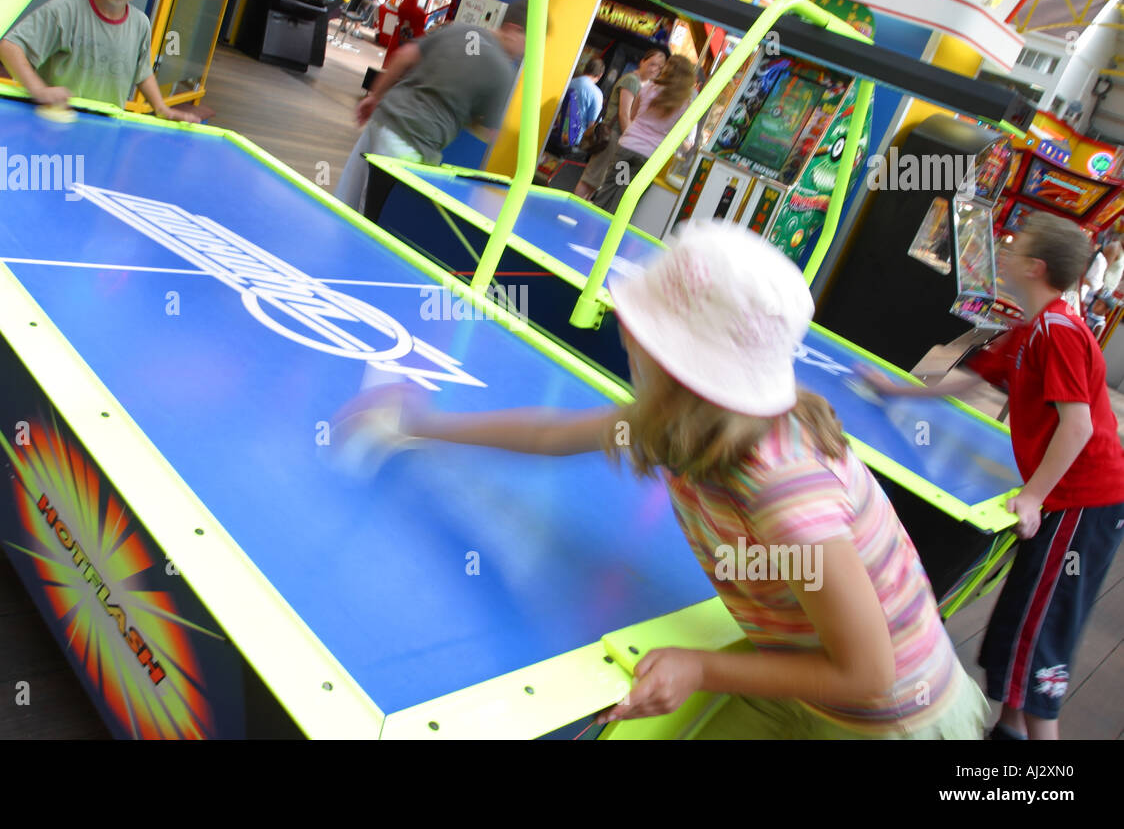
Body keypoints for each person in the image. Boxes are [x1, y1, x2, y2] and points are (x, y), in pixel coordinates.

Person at [342, 221, 990, 738]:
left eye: (643, 322)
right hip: (795, 673)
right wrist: (418, 425)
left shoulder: (784, 494)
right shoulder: (676, 421)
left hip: (891, 722)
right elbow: (548, 437)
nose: (624, 322)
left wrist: (700, 666)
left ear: (683, 368)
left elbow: (869, 673)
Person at [861, 211, 1124, 739]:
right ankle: (1008, 733)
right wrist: (897, 390)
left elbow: (1079, 426)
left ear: (1035, 267)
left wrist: (1033, 496)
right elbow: (963, 381)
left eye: (1013, 247)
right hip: (1067, 501)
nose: (1001, 252)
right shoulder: (1031, 331)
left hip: (1083, 505)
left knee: (1039, 645)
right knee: (1016, 629)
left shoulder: (1061, 333)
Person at [332, 0, 526, 217]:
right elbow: (487, 130)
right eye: (527, 41)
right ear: (513, 29)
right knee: (374, 219)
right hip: (410, 144)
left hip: (382, 119)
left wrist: (374, 97)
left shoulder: (458, 30)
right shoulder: (502, 71)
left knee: (345, 202)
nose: (525, 50)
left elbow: (404, 56)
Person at [0, 0, 198, 122]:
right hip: (55, 125)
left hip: (104, 130)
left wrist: (162, 108)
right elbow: (9, 47)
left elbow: (142, 73)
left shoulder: (141, 24)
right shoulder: (65, 11)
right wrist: (38, 89)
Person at [592, 55, 699, 214]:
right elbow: (682, 139)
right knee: (625, 197)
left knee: (611, 187)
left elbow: (633, 115)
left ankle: (587, 224)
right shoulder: (686, 103)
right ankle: (606, 233)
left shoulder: (649, 88)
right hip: (650, 157)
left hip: (628, 147)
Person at [575, 48, 665, 201]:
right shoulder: (632, 80)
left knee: (598, 182)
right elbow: (624, 113)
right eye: (652, 64)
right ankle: (571, 211)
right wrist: (630, 140)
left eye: (659, 67)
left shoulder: (645, 85)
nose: (654, 69)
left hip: (620, 138)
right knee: (591, 179)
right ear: (642, 61)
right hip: (613, 136)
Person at [555, 57, 605, 151]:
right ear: (600, 75)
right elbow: (592, 125)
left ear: (585, 69)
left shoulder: (568, 82)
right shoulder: (596, 94)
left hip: (555, 132)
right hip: (575, 141)